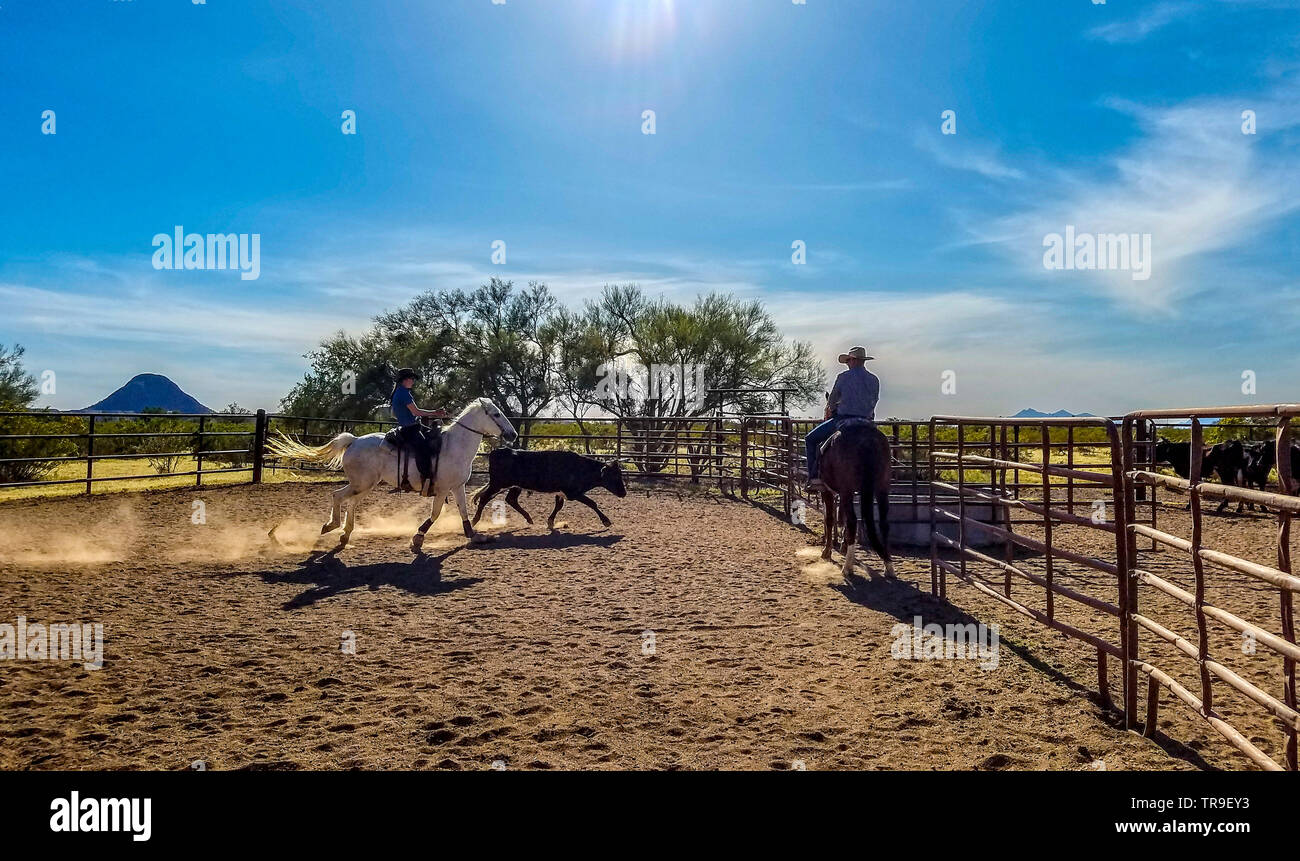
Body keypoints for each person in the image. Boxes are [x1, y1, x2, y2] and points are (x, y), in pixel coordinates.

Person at [805, 345, 880, 492]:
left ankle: (814, 477)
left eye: (848, 361)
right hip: (867, 422)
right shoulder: (874, 379)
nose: (847, 364)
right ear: (862, 361)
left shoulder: (843, 377)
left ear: (852, 360)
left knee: (810, 439)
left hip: (843, 420)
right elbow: (874, 400)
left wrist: (833, 410)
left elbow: (832, 401)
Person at [390, 368, 449, 494]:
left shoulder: (399, 392)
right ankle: (426, 481)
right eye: (411, 379)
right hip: (410, 429)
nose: (413, 381)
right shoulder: (404, 393)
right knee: (425, 449)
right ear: (405, 380)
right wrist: (435, 413)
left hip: (411, 427)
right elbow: (416, 412)